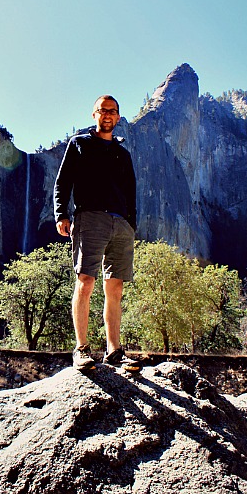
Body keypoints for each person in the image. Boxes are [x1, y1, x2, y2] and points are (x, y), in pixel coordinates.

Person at [53, 95, 139, 372]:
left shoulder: (123, 154)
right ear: (94, 114)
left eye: (113, 112)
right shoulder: (80, 144)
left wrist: (131, 225)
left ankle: (114, 351)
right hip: (90, 219)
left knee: (115, 288)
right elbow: (62, 181)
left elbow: (131, 192)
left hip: (121, 225)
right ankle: (81, 349)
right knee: (86, 281)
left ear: (118, 117)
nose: (108, 116)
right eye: (103, 111)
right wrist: (61, 214)